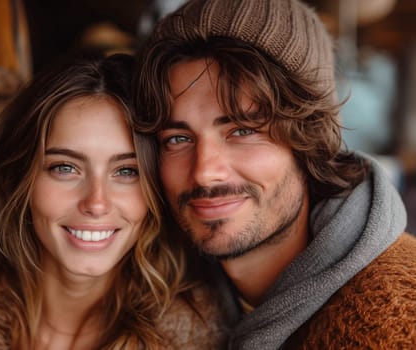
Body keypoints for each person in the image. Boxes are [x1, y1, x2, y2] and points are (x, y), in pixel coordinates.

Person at [133, 0, 416, 349]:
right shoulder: (159, 296)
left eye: (242, 130)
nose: (205, 173)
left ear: (308, 141)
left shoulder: (390, 323)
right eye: (177, 139)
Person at [0, 53, 226, 349]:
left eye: (126, 171)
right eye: (65, 168)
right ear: (22, 179)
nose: (96, 203)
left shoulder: (197, 338)